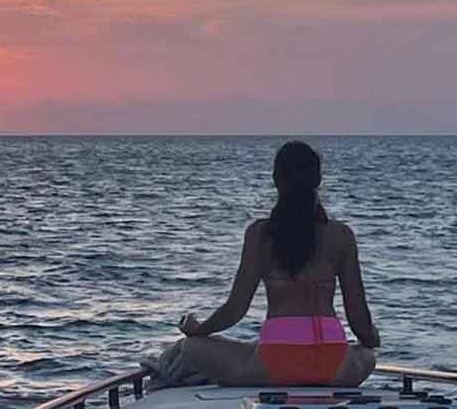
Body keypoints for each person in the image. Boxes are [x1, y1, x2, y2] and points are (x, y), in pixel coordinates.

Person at [155, 140, 380, 387]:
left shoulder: (259, 235)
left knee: (190, 347)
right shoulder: (341, 235)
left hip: (274, 365)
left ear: (276, 180)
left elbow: (235, 309)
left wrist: (199, 329)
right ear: (318, 181)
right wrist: (371, 338)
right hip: (333, 366)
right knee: (366, 354)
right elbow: (358, 316)